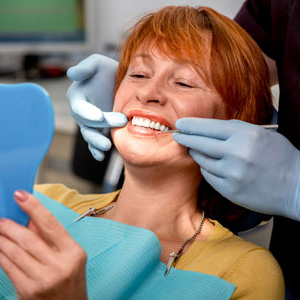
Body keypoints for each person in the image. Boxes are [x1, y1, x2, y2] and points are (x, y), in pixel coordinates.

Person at [0, 6, 284, 299]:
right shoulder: (36, 202)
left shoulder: (243, 273)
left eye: (184, 82)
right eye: (137, 74)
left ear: (234, 124)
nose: (148, 92)